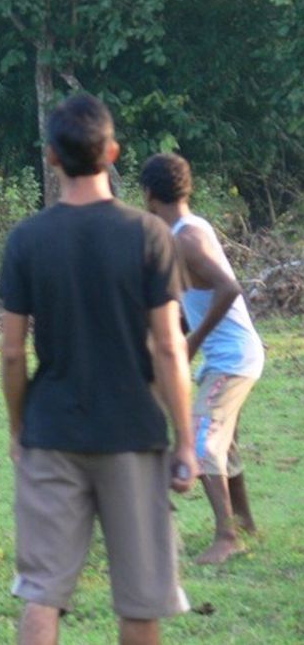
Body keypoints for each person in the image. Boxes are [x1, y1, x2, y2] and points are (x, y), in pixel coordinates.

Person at [0, 95, 198, 645]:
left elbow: (12, 352)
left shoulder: (27, 239)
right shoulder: (148, 234)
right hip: (133, 431)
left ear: (51, 158)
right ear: (112, 153)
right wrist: (185, 440)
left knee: (43, 593)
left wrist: (19, 428)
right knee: (140, 602)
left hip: (52, 430)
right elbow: (167, 347)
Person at [140, 152, 264, 565]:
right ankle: (244, 519)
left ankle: (226, 537)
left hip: (231, 359)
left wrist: (192, 342)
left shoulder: (185, 237)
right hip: (234, 355)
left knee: (201, 441)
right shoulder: (190, 229)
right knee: (224, 443)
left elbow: (229, 288)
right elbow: (188, 298)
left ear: (148, 196)